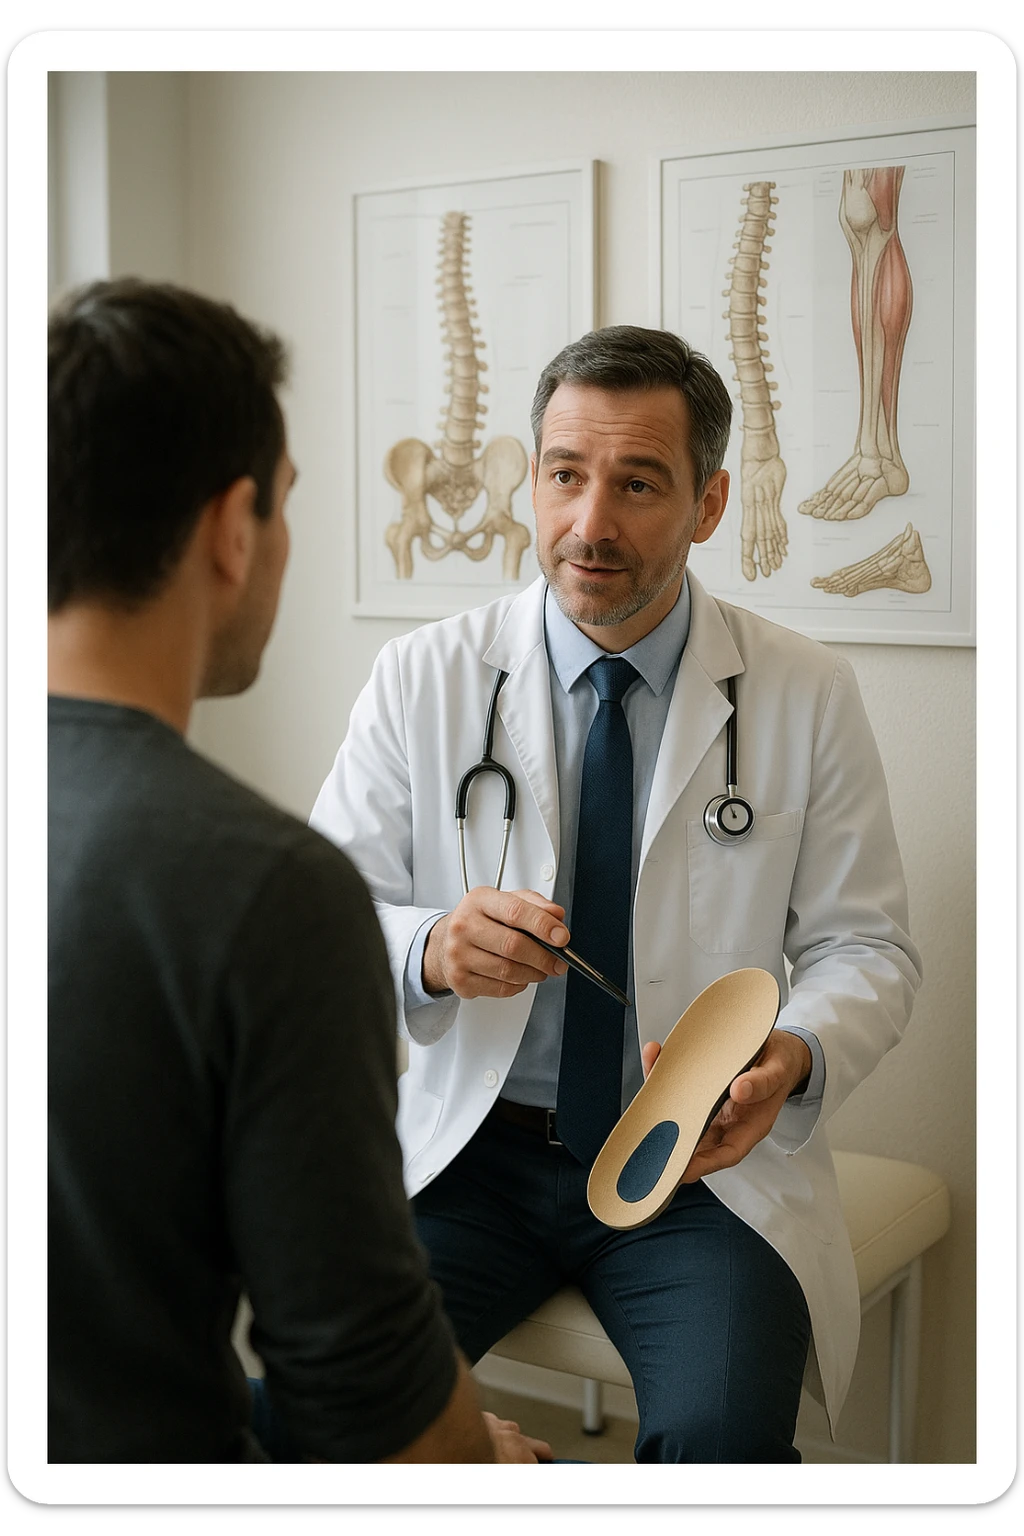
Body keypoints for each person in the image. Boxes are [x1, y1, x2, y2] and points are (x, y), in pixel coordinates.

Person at [310, 324, 923, 1463]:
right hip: (470, 1154)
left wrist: (788, 1055)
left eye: (637, 484)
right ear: (530, 481)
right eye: (563, 476)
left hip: (692, 1161)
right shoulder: (424, 676)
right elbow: (323, 915)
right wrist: (432, 945)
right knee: (326, 1408)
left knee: (721, 1444)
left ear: (707, 503)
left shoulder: (805, 693)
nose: (588, 525)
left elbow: (866, 949)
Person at [47, 278, 551, 1466]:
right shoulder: (265, 891)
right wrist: (489, 1462)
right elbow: (363, 1400)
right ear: (234, 530)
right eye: (284, 507)